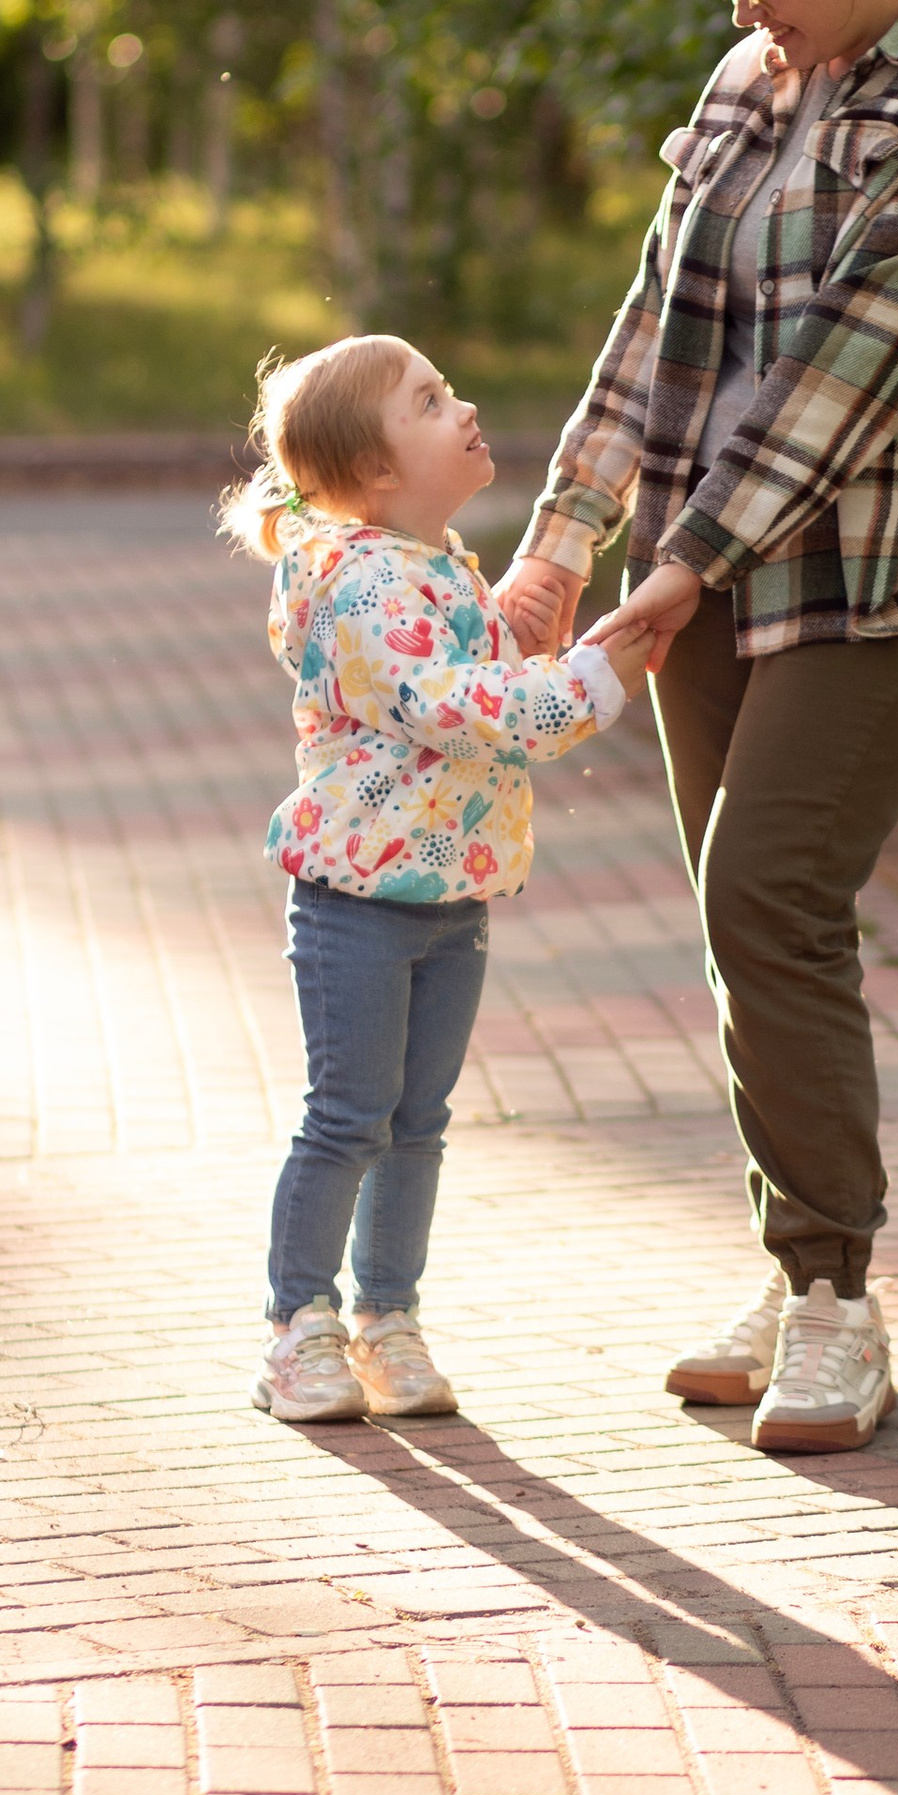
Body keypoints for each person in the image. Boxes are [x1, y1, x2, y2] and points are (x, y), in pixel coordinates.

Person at [496, 0, 898, 1456]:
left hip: (885, 574)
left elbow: (845, 377)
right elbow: (657, 321)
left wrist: (677, 567)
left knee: (770, 890)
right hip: (710, 573)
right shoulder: (753, 85)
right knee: (749, 926)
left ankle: (836, 1302)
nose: (758, 17)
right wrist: (564, 538)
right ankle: (795, 1267)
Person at [225, 334, 652, 1423]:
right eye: (428, 400)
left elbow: (482, 670)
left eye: (448, 388)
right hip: (357, 909)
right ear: (374, 472)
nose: (461, 406)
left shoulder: (438, 562)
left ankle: (388, 1318)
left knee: (417, 1120)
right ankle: (298, 1327)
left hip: (448, 897)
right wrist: (589, 684)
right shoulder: (356, 583)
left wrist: (550, 645)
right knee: (349, 1117)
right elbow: (455, 706)